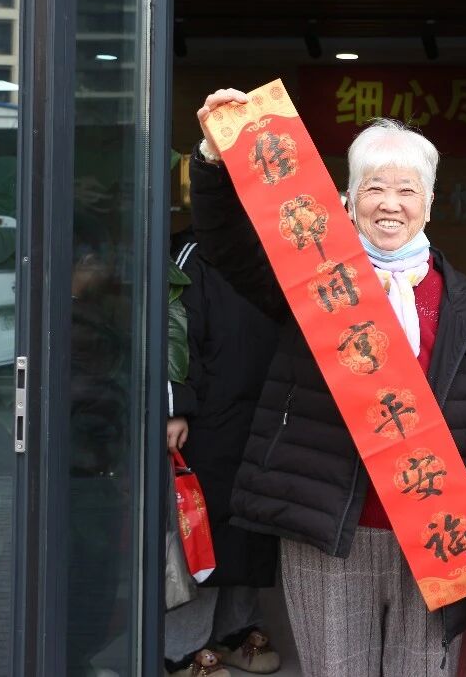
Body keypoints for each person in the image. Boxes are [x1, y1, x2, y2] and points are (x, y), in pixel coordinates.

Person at [188, 95, 466, 677]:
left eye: (407, 190)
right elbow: (226, 244)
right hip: (329, 529)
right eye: (374, 188)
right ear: (348, 200)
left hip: (435, 529)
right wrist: (212, 157)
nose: (390, 204)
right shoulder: (313, 284)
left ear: (429, 203)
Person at [163, 231, 284, 677]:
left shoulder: (278, 246)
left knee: (252, 525)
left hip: (265, 411)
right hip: (206, 416)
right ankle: (182, 649)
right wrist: (176, 405)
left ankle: (236, 630)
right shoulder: (195, 253)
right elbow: (172, 327)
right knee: (201, 529)